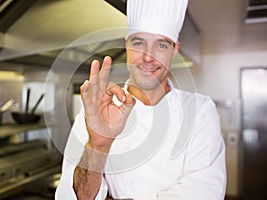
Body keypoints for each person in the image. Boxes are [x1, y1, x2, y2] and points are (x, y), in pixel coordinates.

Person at [55, 0, 227, 199]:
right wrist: (97, 145)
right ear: (126, 44)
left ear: (175, 50)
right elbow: (70, 196)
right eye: (138, 43)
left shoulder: (200, 110)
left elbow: (205, 193)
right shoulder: (94, 109)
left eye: (161, 45)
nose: (148, 57)